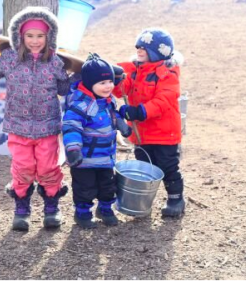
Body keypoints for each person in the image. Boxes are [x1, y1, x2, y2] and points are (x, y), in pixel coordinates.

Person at [0, 7, 75, 231]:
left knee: (48, 168)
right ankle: (21, 209)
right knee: (23, 168)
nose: (35, 41)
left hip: (47, 127)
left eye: (40, 36)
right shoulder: (10, 58)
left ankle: (51, 208)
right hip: (18, 127)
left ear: (49, 37)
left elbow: (64, 89)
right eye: (30, 36)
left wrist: (76, 75)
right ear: (20, 35)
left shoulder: (55, 61)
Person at [113, 28, 186, 217]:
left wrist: (139, 111)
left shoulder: (167, 74)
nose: (138, 49)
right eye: (138, 45)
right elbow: (122, 90)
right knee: (144, 167)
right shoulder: (135, 70)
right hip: (142, 133)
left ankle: (176, 199)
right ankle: (142, 202)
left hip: (164, 133)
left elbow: (163, 101)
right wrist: (115, 78)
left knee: (168, 166)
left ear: (157, 52)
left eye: (144, 47)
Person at [62, 53, 132, 228]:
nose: (108, 86)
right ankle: (82, 213)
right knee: (85, 188)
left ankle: (105, 209)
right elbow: (71, 126)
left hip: (106, 157)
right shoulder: (81, 105)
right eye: (102, 83)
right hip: (85, 159)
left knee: (108, 186)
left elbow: (113, 115)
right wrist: (73, 148)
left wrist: (121, 124)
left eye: (109, 81)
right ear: (89, 83)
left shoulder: (108, 101)